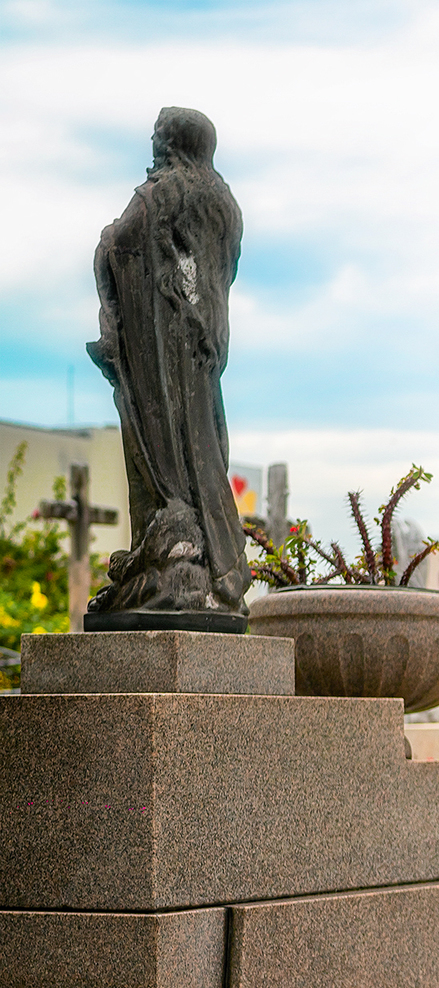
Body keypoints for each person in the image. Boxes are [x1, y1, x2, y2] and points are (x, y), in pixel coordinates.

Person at [86, 106, 249, 622]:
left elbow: (122, 242)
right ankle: (212, 551)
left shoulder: (160, 194)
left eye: (160, 137)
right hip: (202, 349)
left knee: (160, 442)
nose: (154, 146)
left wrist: (109, 248)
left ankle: (177, 530)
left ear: (176, 141)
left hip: (159, 349)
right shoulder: (224, 204)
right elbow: (227, 270)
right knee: (202, 439)